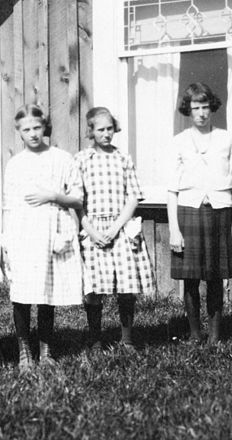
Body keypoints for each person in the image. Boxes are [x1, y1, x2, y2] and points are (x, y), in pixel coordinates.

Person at [2, 104, 84, 372]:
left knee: (47, 293)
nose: (33, 134)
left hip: (53, 230)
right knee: (23, 293)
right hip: (23, 232)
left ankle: (46, 349)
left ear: (45, 126)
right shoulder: (15, 164)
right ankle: (25, 351)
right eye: (26, 130)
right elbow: (8, 206)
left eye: (37, 127)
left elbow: (78, 198)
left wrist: (53, 196)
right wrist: (5, 243)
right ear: (19, 133)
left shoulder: (62, 158)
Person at [166, 82, 232, 344]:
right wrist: (174, 229)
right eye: (195, 107)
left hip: (220, 213)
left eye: (205, 107)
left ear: (213, 108)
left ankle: (215, 336)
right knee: (190, 278)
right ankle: (195, 333)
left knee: (215, 277)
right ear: (188, 109)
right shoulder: (179, 142)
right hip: (189, 211)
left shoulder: (226, 139)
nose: (201, 113)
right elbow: (171, 189)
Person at [75, 106, 154, 351]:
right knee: (94, 287)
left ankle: (127, 338)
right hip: (93, 227)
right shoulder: (82, 160)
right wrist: (91, 230)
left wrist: (116, 227)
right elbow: (77, 201)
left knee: (126, 286)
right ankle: (95, 338)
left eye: (110, 129)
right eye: (101, 129)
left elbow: (133, 197)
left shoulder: (123, 158)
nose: (106, 134)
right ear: (91, 131)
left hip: (120, 227)